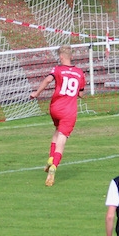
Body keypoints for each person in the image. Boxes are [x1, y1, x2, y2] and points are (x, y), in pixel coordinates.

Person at [29, 45, 86, 186]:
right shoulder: (79, 73)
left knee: (57, 130)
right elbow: (81, 94)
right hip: (69, 111)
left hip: (55, 108)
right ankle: (54, 166)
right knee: (62, 138)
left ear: (61, 57)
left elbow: (48, 80)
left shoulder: (57, 69)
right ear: (71, 56)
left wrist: (36, 93)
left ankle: (50, 158)